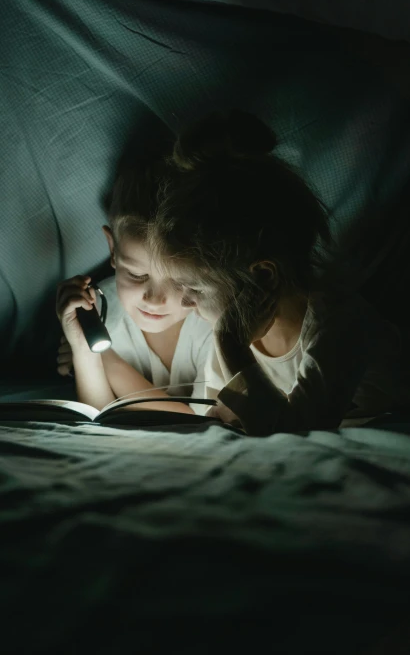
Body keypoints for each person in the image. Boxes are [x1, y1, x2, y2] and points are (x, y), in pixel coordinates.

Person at [148, 109, 409, 435]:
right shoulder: (231, 331)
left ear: (263, 276)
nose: (185, 302)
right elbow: (219, 416)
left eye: (196, 289)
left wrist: (233, 349)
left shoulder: (342, 325)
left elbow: (298, 432)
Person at [55, 142, 213, 414]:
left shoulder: (213, 320)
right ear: (113, 248)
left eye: (180, 282)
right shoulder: (100, 309)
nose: (154, 300)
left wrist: (104, 357)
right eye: (137, 274)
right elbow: (97, 412)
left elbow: (195, 421)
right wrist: (83, 349)